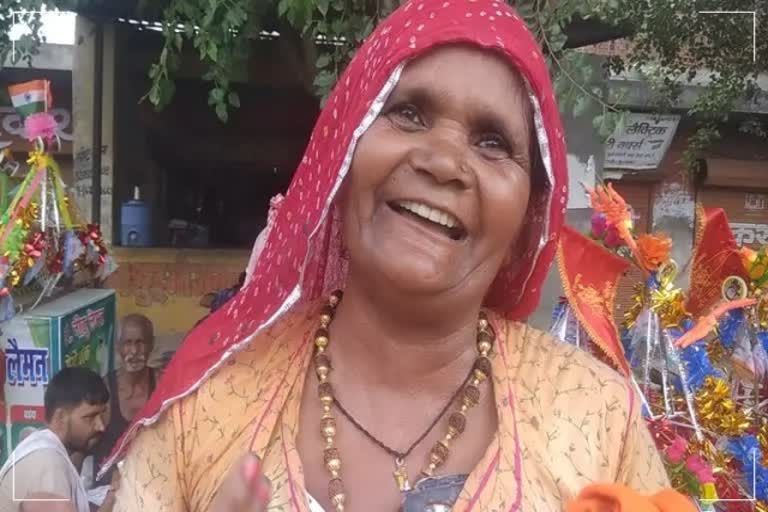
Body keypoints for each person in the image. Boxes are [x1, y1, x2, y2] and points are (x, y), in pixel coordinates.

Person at [107, 1, 695, 511]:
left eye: (492, 142)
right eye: (408, 113)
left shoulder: (598, 420)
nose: (442, 161)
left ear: (527, 224)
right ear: (341, 158)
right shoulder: (205, 406)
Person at [0, 367, 114, 512]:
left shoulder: (43, 444)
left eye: (102, 414)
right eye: (90, 417)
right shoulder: (49, 465)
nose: (101, 426)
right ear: (60, 417)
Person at [91, 314, 158, 488]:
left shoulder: (162, 385)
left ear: (151, 345)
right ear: (118, 347)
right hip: (108, 489)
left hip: (149, 484)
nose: (134, 351)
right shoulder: (104, 390)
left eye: (140, 343)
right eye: (127, 343)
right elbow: (85, 440)